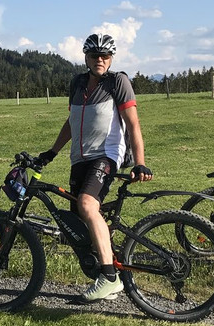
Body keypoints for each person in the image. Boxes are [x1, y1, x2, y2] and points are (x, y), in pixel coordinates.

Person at [35, 33, 152, 302]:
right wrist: (52, 152)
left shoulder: (118, 82)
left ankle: (109, 277)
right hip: (79, 159)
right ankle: (107, 271)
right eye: (94, 55)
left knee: (87, 205)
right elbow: (71, 122)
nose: (100, 59)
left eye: (105, 56)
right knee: (79, 218)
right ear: (86, 58)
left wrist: (140, 162)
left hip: (105, 155)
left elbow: (133, 124)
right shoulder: (77, 83)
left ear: (111, 59)